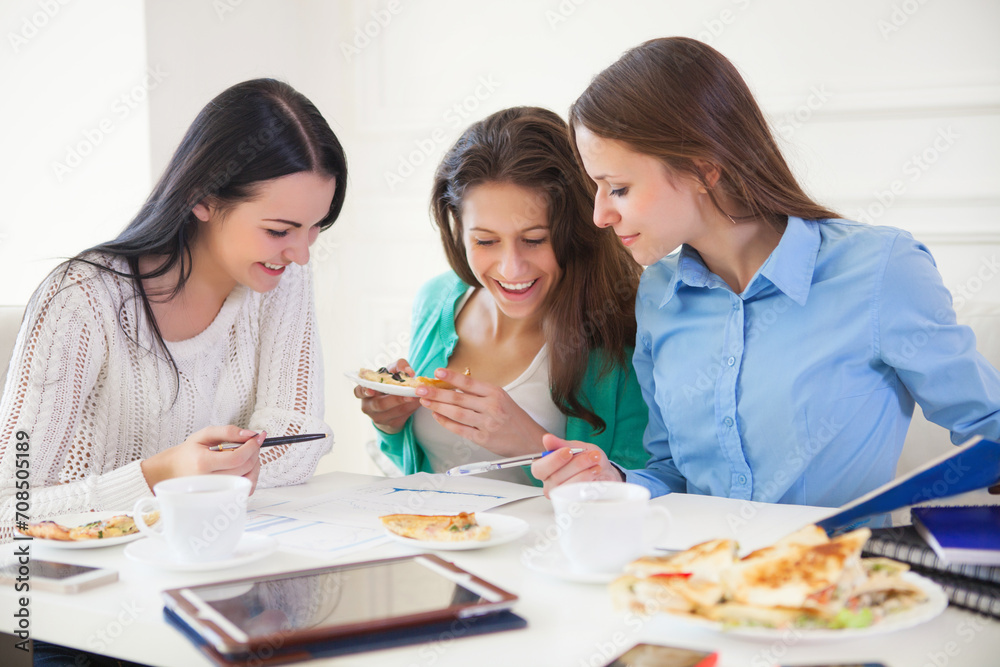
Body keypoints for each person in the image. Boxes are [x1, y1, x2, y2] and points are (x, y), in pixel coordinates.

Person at [533, 37, 1000, 507]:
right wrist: (613, 483)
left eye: (617, 188)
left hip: (833, 573)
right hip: (695, 573)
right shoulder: (658, 294)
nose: (599, 215)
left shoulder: (881, 270)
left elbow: (989, 427)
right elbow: (672, 472)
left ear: (702, 168)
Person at [0, 78, 347, 543]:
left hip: (213, 560)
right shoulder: (80, 300)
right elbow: (9, 509)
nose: (301, 253)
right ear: (202, 197)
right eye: (279, 230)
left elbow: (300, 440)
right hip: (89, 580)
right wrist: (161, 475)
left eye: (314, 228)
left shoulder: (281, 279)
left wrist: (205, 473)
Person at [355, 107, 648, 484]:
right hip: (437, 536)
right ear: (458, 229)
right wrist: (392, 424)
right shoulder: (437, 299)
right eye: (485, 241)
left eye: (534, 240)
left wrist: (530, 443)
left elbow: (639, 484)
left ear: (574, 229)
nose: (511, 268)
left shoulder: (623, 321)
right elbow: (418, 467)